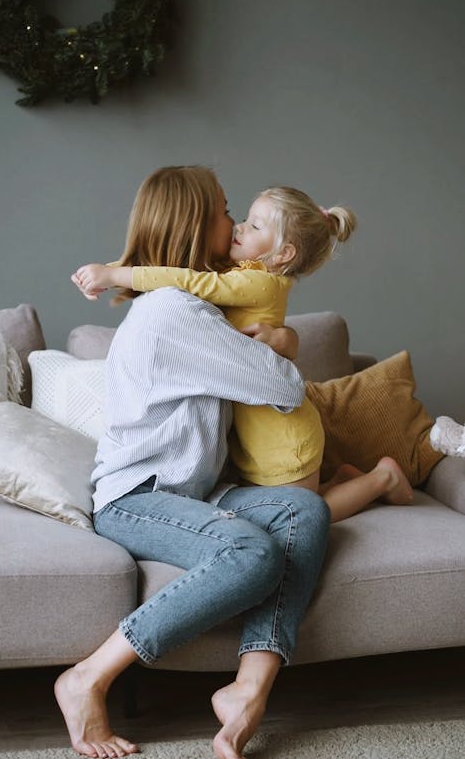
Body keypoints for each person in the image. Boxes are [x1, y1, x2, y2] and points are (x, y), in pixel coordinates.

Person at [59, 165, 331, 759]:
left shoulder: (202, 307)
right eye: (225, 210)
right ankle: (87, 677)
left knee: (303, 507)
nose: (234, 224)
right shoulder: (174, 313)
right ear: (192, 223)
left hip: (197, 494)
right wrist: (285, 344)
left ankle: (248, 687)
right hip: (137, 498)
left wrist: (282, 336)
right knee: (251, 554)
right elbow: (283, 388)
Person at [72, 186, 414, 522]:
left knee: (310, 512)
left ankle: (382, 478)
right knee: (301, 502)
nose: (239, 226)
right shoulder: (241, 274)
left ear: (283, 254)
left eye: (255, 225)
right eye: (244, 219)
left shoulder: (259, 283)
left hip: (282, 435)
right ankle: (343, 479)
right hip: (261, 431)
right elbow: (171, 265)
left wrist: (115, 274)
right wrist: (110, 268)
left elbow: (191, 281)